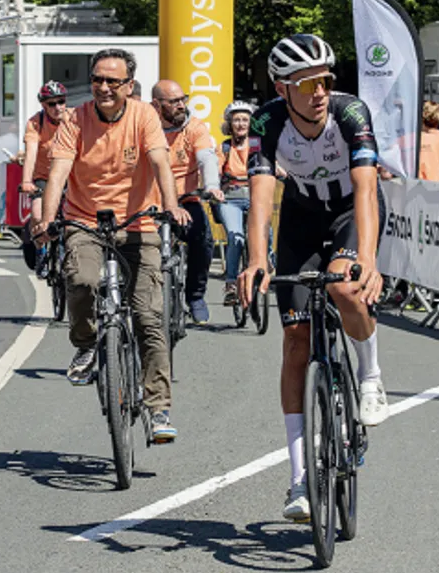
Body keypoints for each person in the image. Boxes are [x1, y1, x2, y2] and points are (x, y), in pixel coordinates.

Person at [237, 33, 390, 523]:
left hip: (350, 212)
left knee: (346, 286)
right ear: (284, 90)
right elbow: (260, 198)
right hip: (302, 218)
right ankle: (300, 478)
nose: (320, 91)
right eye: (306, 84)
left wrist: (367, 257)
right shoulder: (268, 121)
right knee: (296, 341)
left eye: (324, 79)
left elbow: (366, 190)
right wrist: (256, 259)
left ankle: (370, 374)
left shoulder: (350, 114)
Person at [32, 48, 190, 442]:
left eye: (112, 81)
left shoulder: (144, 115)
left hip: (138, 223)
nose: (103, 87)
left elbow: (159, 162)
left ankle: (158, 409)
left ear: (129, 86)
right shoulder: (76, 120)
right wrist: (48, 219)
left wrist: (170, 207)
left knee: (148, 317)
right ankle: (85, 345)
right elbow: (58, 173)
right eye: (98, 79)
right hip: (85, 221)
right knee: (82, 280)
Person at [152, 80, 223, 324]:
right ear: (157, 105)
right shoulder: (145, 126)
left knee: (202, 240)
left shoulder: (194, 127)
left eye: (184, 99)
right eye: (174, 102)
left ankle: (195, 296)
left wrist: (212, 185)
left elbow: (206, 157)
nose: (182, 105)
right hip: (153, 200)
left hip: (186, 198)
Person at [19, 80, 72, 276]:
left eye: (61, 101)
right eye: (52, 103)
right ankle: (40, 249)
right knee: (37, 214)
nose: (58, 107)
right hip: (45, 177)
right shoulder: (36, 123)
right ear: (43, 105)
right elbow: (31, 153)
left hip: (71, 176)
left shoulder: (74, 118)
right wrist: (26, 181)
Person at [215, 101, 257, 306]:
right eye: (237, 120)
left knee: (265, 234)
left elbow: (270, 163)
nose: (241, 124)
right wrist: (213, 187)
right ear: (230, 124)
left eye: (245, 120)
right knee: (236, 237)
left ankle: (268, 268)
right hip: (230, 198)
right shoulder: (224, 147)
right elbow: (214, 170)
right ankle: (231, 284)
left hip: (255, 196)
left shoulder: (257, 145)